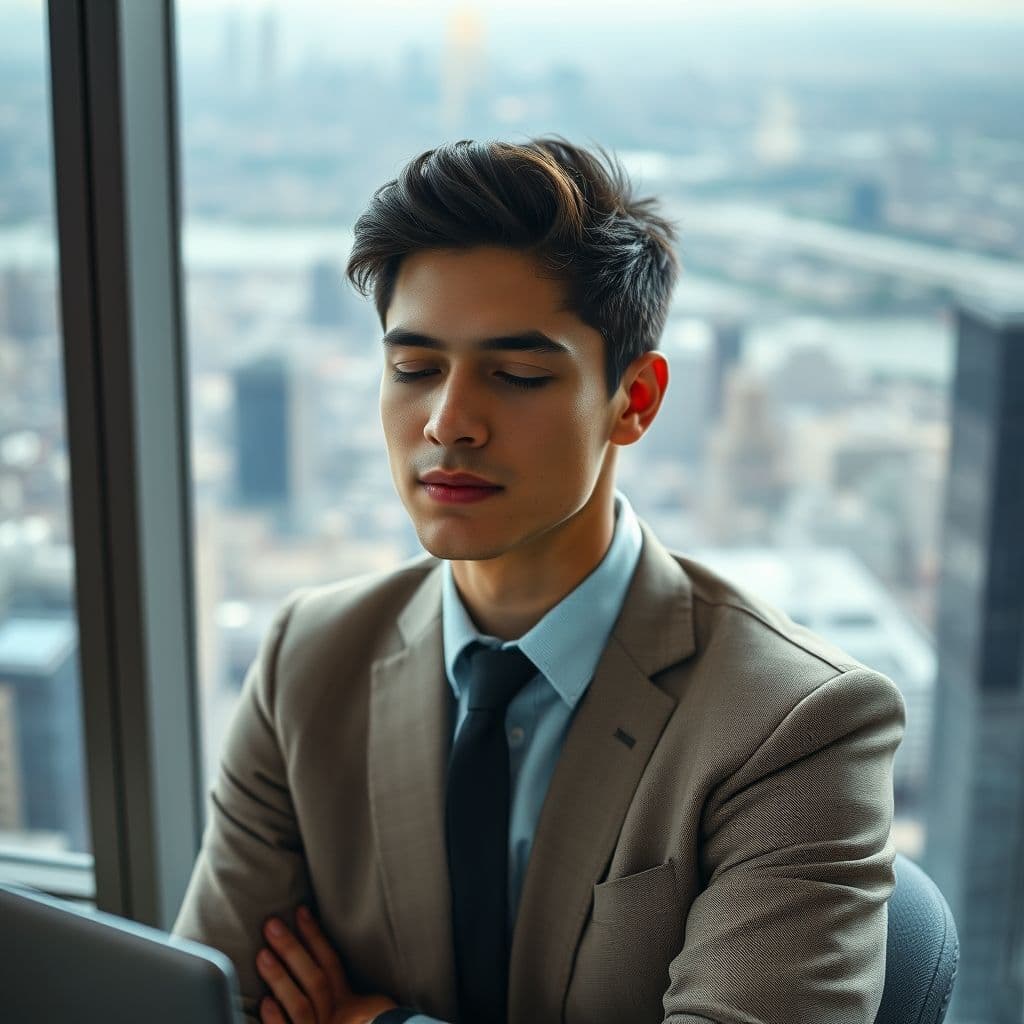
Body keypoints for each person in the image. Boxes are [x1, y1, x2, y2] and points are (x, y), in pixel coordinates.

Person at [171, 136, 906, 1024]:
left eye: (516, 375)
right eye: (414, 369)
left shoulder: (794, 725)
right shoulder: (309, 658)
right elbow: (206, 1009)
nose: (448, 422)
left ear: (634, 400)